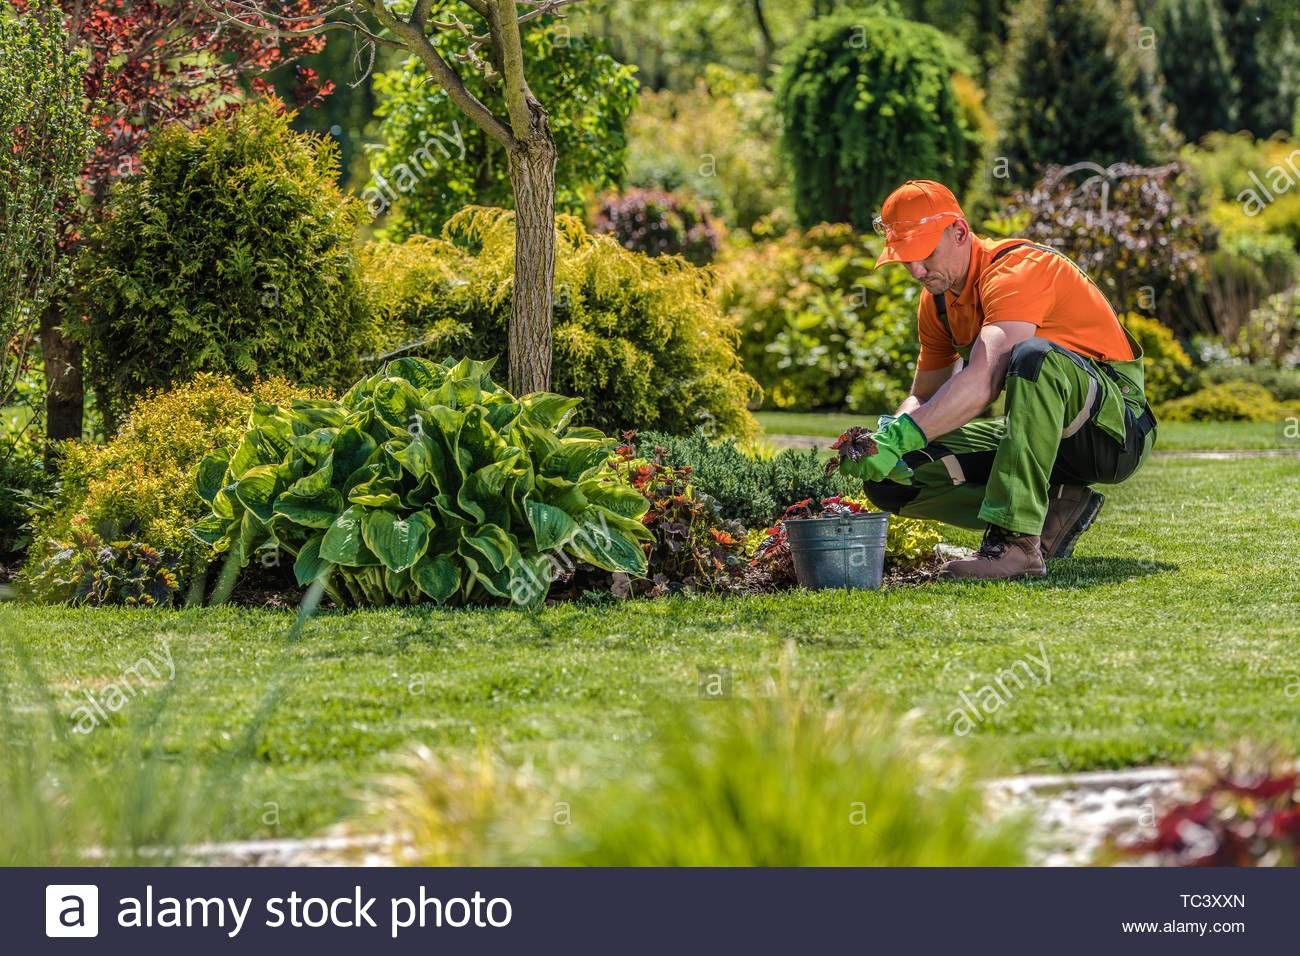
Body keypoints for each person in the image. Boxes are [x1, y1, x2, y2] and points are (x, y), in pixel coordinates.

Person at [838, 180, 1157, 580]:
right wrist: (883, 441)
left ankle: (1017, 543)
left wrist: (903, 435)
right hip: (1040, 432)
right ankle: (1057, 510)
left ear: (958, 231)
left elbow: (985, 378)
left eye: (924, 254)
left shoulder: (1016, 270)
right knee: (894, 481)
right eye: (904, 259)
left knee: (1032, 357)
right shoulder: (936, 301)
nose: (916, 270)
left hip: (1115, 433)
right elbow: (924, 397)